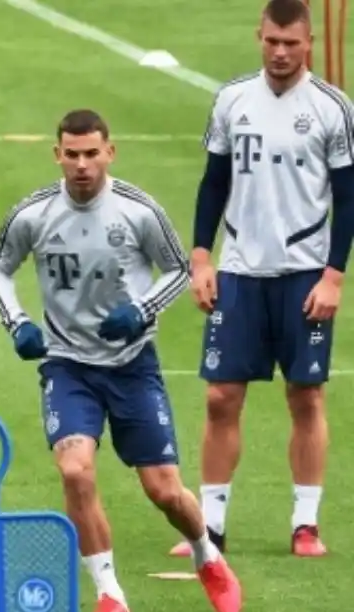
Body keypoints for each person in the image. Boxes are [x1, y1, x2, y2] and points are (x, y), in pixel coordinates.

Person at [0, 109, 242, 612]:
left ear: (110, 152)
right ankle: (110, 596)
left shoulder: (137, 210)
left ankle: (206, 556)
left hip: (131, 367)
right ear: (57, 155)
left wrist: (142, 311)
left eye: (91, 153)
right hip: (67, 365)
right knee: (74, 468)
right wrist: (17, 323)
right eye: (72, 154)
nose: (82, 165)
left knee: (164, 490)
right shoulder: (33, 214)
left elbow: (180, 269)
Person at [171, 0, 354, 560]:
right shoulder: (232, 98)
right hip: (240, 270)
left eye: (291, 44)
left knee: (306, 395)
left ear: (309, 44)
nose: (280, 52)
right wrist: (202, 259)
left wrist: (334, 277)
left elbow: (347, 199)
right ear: (260, 37)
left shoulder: (331, 108)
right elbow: (212, 183)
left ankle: (305, 524)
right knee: (221, 397)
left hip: (304, 273)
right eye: (272, 41)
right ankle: (211, 528)